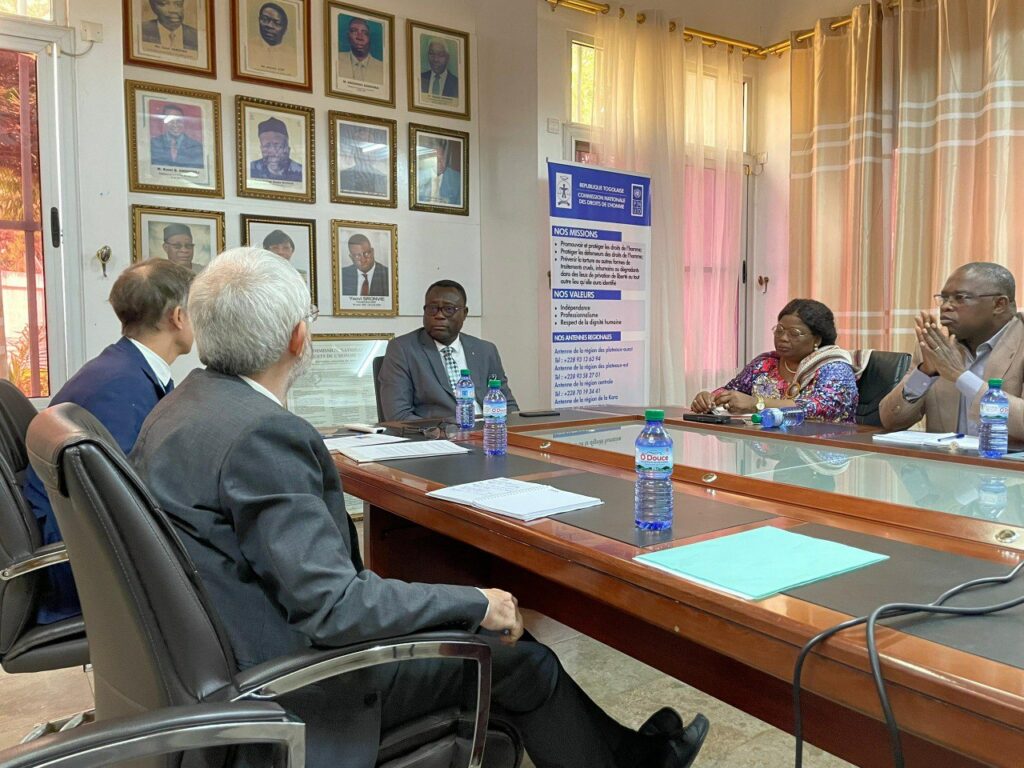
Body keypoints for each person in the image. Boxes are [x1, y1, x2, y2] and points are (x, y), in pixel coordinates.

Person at [129, 247, 709, 768]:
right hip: (301, 680)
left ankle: (631, 754)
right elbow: (335, 608)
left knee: (513, 642)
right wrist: (475, 599)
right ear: (298, 339)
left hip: (223, 655)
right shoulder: (264, 435)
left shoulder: (183, 406)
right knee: (526, 660)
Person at [23, 259, 194, 624]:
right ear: (178, 317)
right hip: (75, 568)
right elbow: (126, 504)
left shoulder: (123, 368)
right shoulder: (121, 388)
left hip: (72, 540)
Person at [880, 262, 1024, 438]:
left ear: (999, 304)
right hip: (947, 456)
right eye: (944, 298)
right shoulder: (936, 345)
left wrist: (960, 376)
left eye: (960, 298)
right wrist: (925, 373)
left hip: (1003, 456)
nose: (945, 306)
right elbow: (890, 421)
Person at [690, 298, 859, 423]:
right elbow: (732, 391)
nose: (783, 338)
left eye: (794, 333)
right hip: (767, 449)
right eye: (779, 330)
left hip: (822, 451)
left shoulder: (835, 367)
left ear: (817, 339)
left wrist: (757, 404)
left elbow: (819, 409)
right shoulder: (765, 364)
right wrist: (709, 399)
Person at [379, 280, 519, 421]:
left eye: (449, 309)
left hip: (490, 429)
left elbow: (507, 404)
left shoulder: (485, 350)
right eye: (432, 308)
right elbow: (398, 415)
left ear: (464, 313)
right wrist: (443, 431)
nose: (439, 316)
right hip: (438, 432)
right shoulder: (402, 349)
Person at [245, 2, 296, 77]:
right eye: (265, 19)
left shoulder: (293, 55)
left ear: (285, 30)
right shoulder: (248, 47)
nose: (269, 25)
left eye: (277, 23)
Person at [337, 125, 388, 196]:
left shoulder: (382, 178)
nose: (363, 152)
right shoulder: (343, 176)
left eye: (368, 143)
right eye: (360, 147)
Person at [149, 103, 204, 169]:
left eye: (178, 120)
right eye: (170, 120)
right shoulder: (153, 144)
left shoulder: (197, 147)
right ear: (164, 122)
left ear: (183, 121)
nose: (175, 124)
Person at [250, 116, 303, 182]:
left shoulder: (302, 172)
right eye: (266, 146)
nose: (272, 151)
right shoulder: (250, 169)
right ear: (261, 148)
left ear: (287, 148)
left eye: (277, 145)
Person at [337, 16, 383, 85]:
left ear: (370, 38)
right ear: (348, 36)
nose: (360, 37)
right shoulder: (336, 58)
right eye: (354, 31)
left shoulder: (382, 68)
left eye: (365, 33)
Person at [417, 138, 461, 206]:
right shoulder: (418, 176)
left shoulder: (458, 179)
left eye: (443, 158)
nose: (441, 162)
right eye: (437, 159)